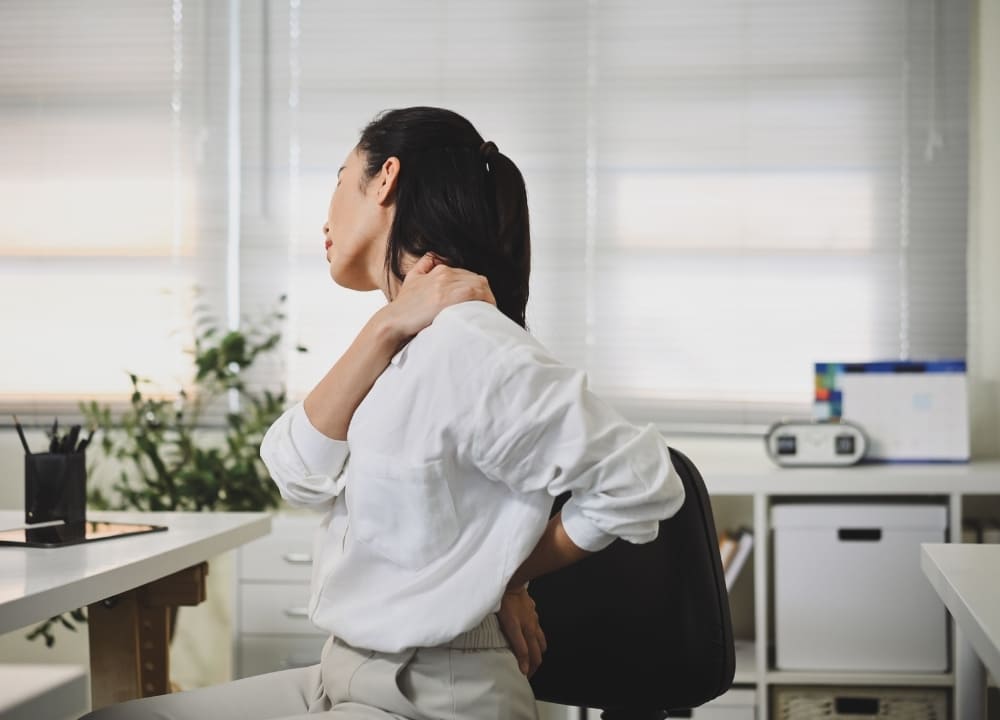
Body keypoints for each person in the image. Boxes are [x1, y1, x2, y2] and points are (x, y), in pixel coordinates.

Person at [81, 106, 684, 720]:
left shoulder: (470, 343)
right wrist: (386, 325)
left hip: (436, 694)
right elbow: (293, 468)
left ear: (385, 178)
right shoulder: (402, 343)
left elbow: (640, 479)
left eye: (340, 178)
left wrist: (503, 573)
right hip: (342, 673)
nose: (325, 217)